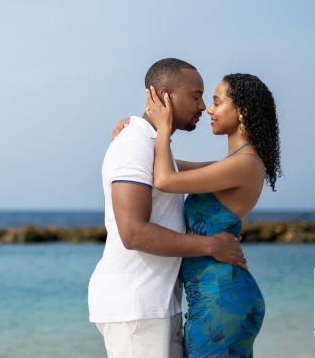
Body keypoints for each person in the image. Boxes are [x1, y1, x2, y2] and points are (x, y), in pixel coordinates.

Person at [88, 58, 247, 358]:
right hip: (136, 306)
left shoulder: (153, 146)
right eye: (196, 95)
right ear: (165, 96)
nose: (202, 106)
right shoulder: (134, 144)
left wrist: (246, 164)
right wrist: (212, 245)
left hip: (155, 305)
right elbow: (133, 233)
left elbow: (201, 173)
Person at [143, 72, 281, 357]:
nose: (209, 109)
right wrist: (137, 132)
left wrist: (164, 128)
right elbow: (161, 163)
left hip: (221, 296)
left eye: (217, 103)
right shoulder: (231, 164)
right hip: (211, 294)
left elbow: (165, 180)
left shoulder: (245, 163)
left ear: (241, 110)